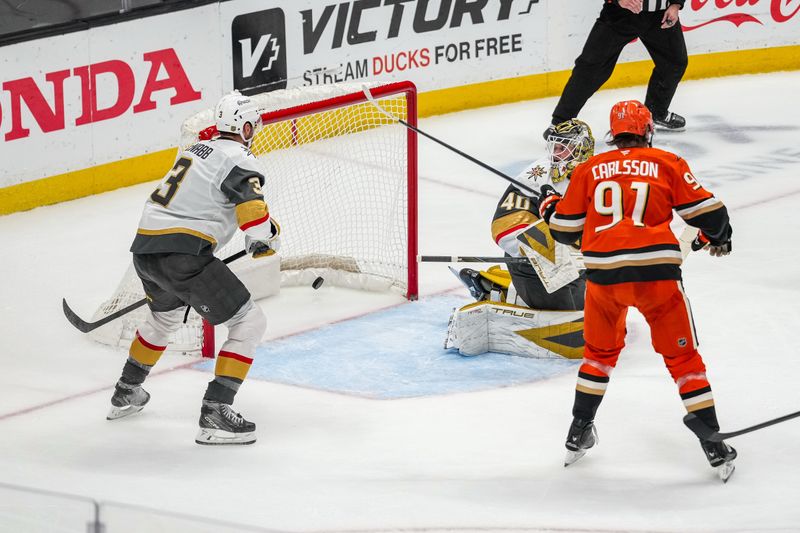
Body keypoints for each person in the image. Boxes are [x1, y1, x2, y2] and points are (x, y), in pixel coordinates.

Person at [538, 100, 736, 481]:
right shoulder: (667, 163)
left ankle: (578, 432)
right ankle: (712, 442)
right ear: (648, 132)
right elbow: (713, 215)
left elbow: (564, 230)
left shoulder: (588, 170)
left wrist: (549, 205)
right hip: (656, 277)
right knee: (684, 361)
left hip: (604, 279)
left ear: (613, 136)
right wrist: (718, 236)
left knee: (597, 355)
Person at [107, 91, 279, 446]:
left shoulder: (196, 150)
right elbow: (252, 215)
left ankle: (127, 391)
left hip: (145, 250)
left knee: (163, 320)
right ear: (245, 127)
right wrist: (265, 237)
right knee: (249, 321)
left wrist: (257, 234)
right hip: (183, 254)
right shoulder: (239, 157)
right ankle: (216, 410)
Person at [460, 119, 594, 311]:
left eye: (562, 148)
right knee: (574, 312)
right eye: (554, 147)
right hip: (533, 265)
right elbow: (503, 227)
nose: (555, 155)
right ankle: (501, 291)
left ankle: (497, 285)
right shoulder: (538, 175)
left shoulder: (597, 171)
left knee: (597, 299)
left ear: (582, 148)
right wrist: (553, 243)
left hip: (571, 259)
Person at [544, 0, 688, 140]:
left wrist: (676, 4)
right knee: (592, 67)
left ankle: (656, 112)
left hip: (660, 15)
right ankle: (560, 123)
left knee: (674, 62)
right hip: (619, 14)